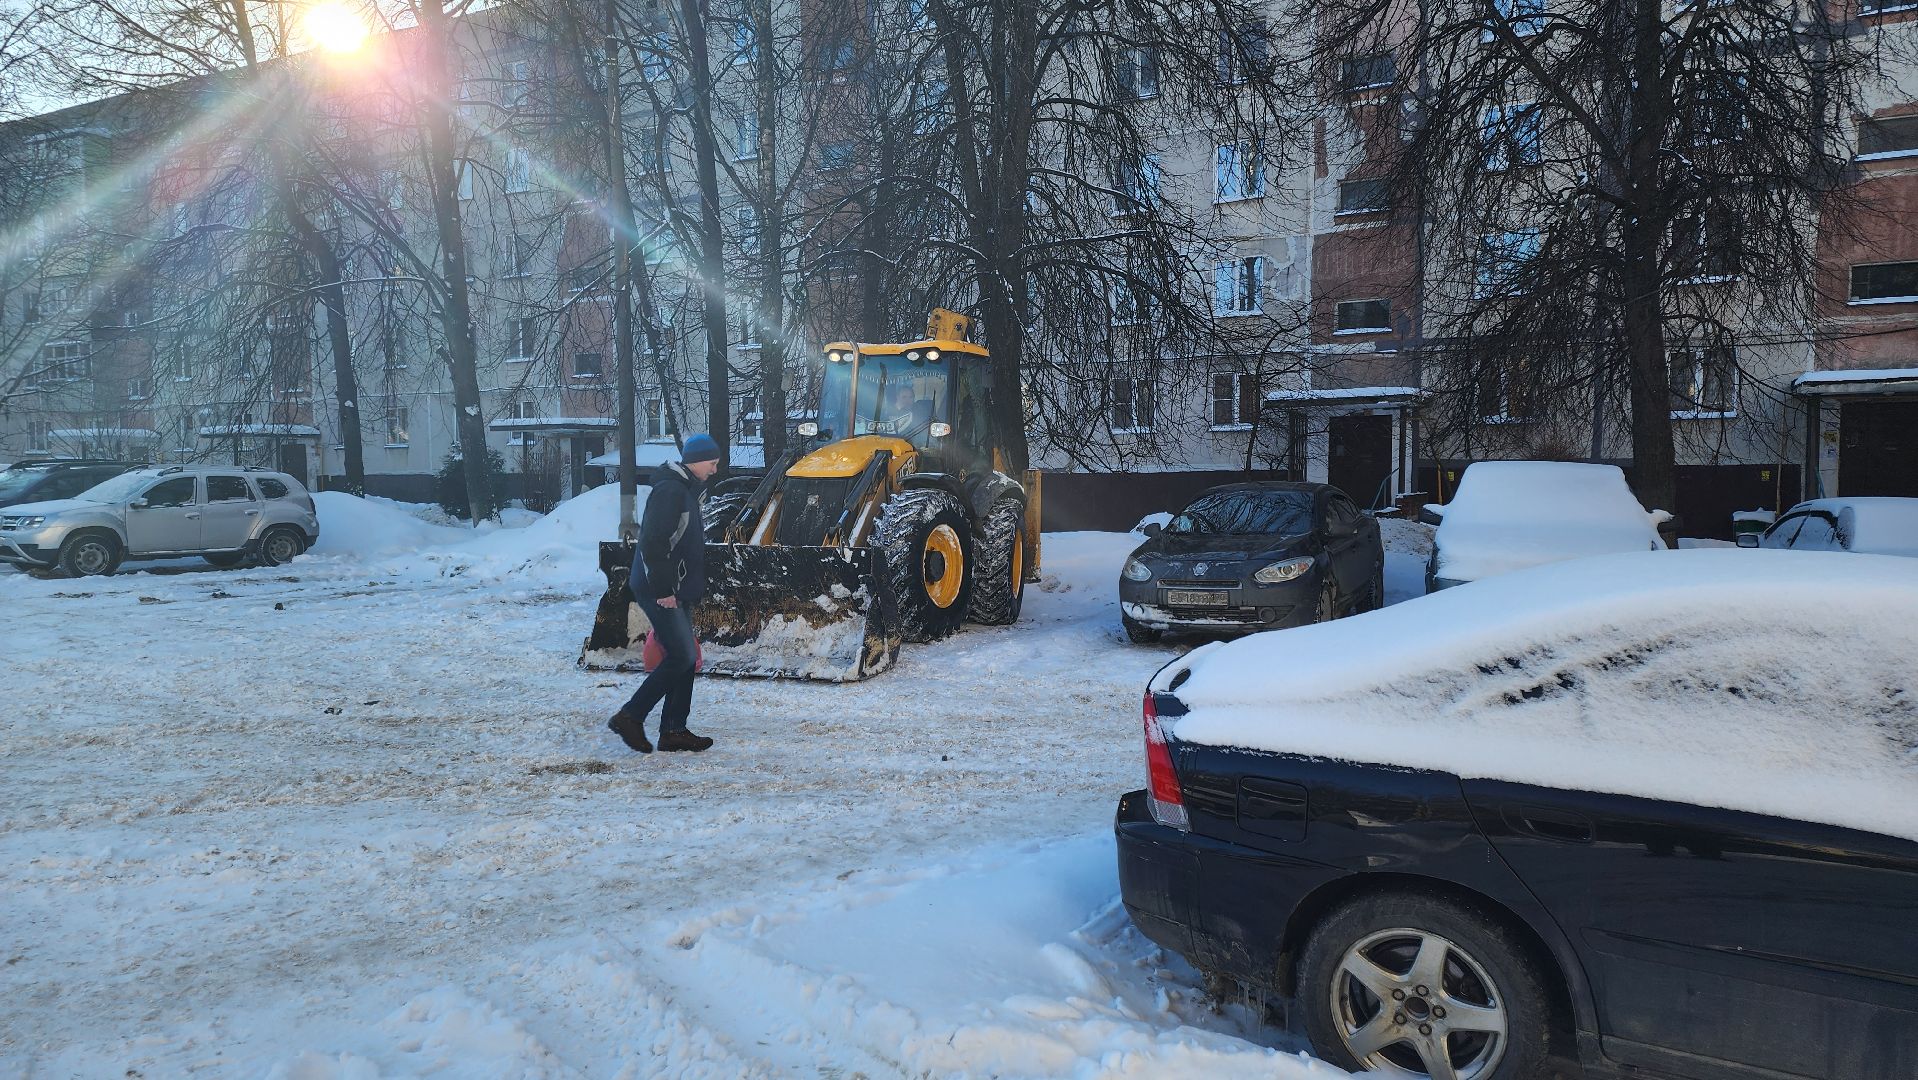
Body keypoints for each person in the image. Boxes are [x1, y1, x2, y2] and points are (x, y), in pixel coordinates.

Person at [607, 433, 721, 753]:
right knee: (682, 656)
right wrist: (664, 589)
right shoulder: (671, 491)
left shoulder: (683, 489)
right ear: (696, 460)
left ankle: (674, 730)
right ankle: (630, 716)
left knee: (685, 658)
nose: (714, 470)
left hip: (675, 588)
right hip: (660, 588)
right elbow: (654, 544)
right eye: (712, 463)